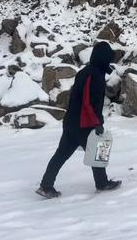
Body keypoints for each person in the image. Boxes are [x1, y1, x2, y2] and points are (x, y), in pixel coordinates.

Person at [36, 42, 121, 198]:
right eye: (108, 57)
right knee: (98, 150)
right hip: (84, 123)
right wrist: (97, 123)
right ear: (103, 57)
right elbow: (88, 101)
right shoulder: (94, 74)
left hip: (71, 121)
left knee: (61, 154)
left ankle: (46, 186)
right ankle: (102, 183)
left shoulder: (86, 72)